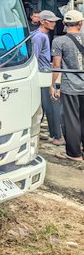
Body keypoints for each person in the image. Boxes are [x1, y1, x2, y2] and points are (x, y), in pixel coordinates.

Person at [51, 10, 84, 161]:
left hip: (70, 86)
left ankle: (74, 153)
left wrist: (53, 85)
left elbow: (56, 65)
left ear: (64, 24)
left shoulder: (59, 41)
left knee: (71, 120)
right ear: (80, 24)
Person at [31, 10, 64, 145]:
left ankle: (51, 133)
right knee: (50, 105)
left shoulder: (42, 35)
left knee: (46, 105)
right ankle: (57, 136)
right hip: (42, 74)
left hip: (44, 72)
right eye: (51, 21)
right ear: (43, 21)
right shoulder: (40, 36)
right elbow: (35, 57)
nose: (54, 23)